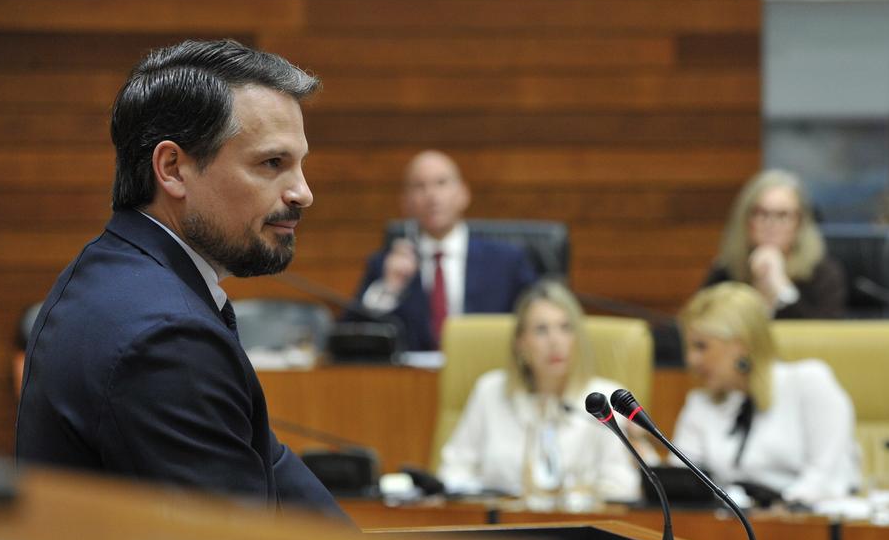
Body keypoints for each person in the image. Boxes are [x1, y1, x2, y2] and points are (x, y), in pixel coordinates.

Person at [15, 39, 345, 520]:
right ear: (173, 169)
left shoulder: (116, 271)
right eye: (271, 164)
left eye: (300, 163)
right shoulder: (165, 336)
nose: (303, 193)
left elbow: (269, 461)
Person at [438, 281, 640, 505]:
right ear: (521, 343)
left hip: (578, 530)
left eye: (565, 328)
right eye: (541, 330)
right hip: (500, 529)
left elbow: (623, 486)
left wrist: (571, 499)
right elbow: (453, 471)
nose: (555, 342)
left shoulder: (602, 401)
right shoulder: (490, 391)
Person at [671, 283, 861, 504]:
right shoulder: (700, 403)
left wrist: (772, 508)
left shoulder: (809, 383)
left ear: (741, 344)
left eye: (702, 347)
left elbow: (825, 479)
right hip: (729, 529)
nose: (691, 360)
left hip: (805, 525)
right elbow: (681, 482)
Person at [351, 150, 538, 351]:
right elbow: (352, 338)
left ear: (463, 194)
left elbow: (538, 318)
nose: (431, 195)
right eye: (419, 186)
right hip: (412, 379)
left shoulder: (506, 261)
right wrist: (389, 289)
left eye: (441, 183)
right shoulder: (385, 265)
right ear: (405, 202)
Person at [702, 169, 847, 319]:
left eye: (782, 215)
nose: (771, 224)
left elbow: (823, 337)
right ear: (746, 220)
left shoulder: (823, 274)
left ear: (799, 223)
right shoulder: (726, 270)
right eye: (762, 213)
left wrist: (780, 287)